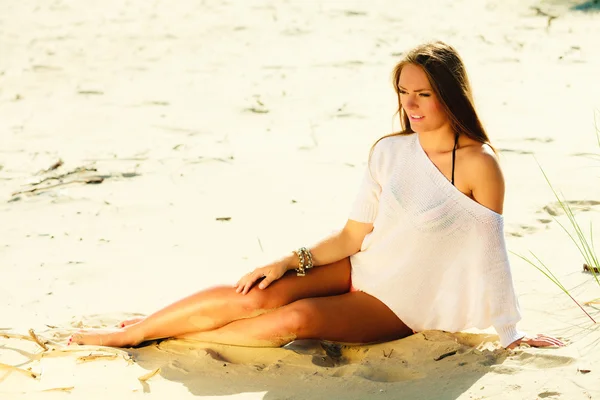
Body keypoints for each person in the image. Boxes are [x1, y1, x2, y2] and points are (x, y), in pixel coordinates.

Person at [70, 41, 564, 350]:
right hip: (361, 268)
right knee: (258, 294)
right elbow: (354, 235)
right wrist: (290, 261)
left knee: (298, 318)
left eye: (423, 94)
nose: (409, 105)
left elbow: (491, 253)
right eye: (402, 93)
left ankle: (172, 335)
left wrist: (510, 329)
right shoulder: (390, 152)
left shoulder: (480, 164)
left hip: (405, 305)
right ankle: (138, 331)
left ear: (449, 95)